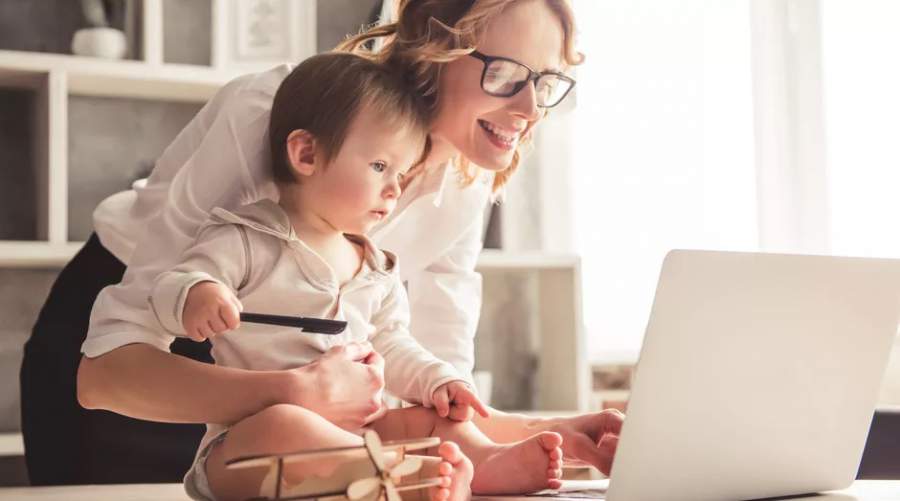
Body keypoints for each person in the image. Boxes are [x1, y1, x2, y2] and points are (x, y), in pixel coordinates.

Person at [21, 0, 622, 486]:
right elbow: (104, 375)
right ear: (434, 50)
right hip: (153, 358)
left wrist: (539, 436)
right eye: (507, 74)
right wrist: (294, 392)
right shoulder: (280, 111)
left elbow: (435, 396)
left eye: (545, 82)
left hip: (304, 406)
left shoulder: (468, 174)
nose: (530, 109)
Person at [165, 51, 571, 500]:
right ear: (306, 153)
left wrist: (438, 380)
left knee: (431, 418)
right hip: (243, 451)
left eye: (401, 172)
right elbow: (176, 280)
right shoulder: (246, 238)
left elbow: (393, 344)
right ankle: (399, 478)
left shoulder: (375, 267)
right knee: (287, 423)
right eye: (380, 167)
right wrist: (199, 292)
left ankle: (485, 461)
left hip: (358, 434)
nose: (395, 188)